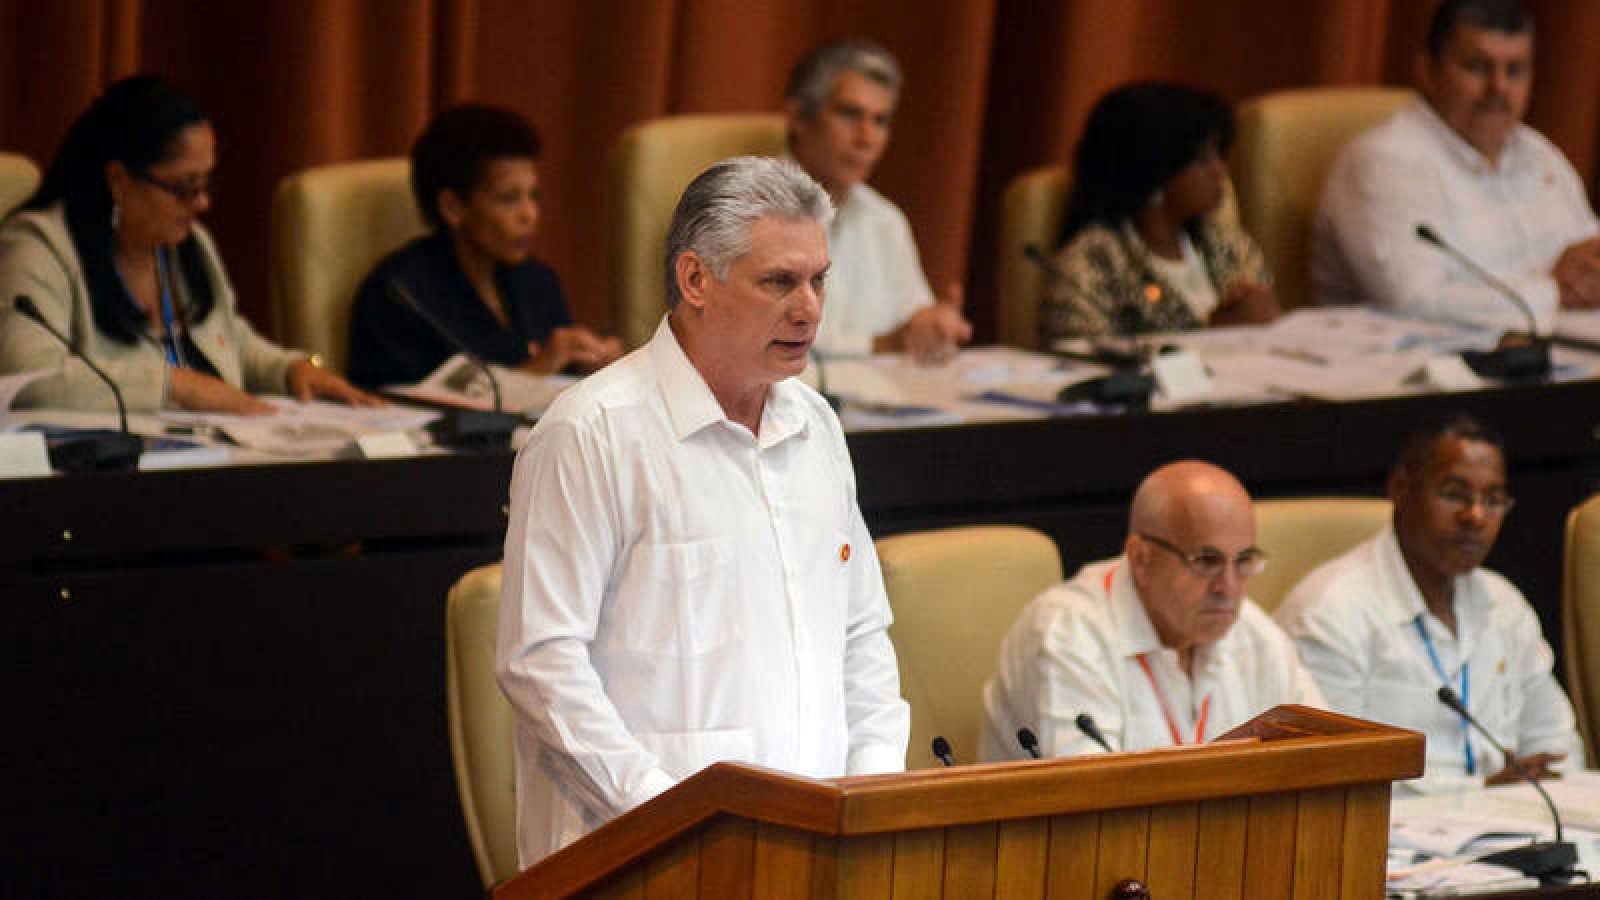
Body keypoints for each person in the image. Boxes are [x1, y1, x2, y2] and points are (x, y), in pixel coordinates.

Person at [496, 155, 909, 866]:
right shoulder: (591, 433)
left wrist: (870, 797)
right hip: (641, 855)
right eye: (779, 281)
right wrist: (672, 819)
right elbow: (541, 665)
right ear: (695, 280)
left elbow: (862, 635)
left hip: (813, 854)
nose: (809, 306)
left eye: (819, 279)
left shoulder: (817, 427)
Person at [0, 75, 374, 413]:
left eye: (205, 183)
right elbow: (29, 381)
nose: (202, 203)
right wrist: (176, 384)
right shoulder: (35, 249)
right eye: (183, 187)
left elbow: (225, 337)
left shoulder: (186, 244)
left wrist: (291, 369)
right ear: (118, 180)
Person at [1275, 414, 1583, 792]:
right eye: (1455, 494)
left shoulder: (1504, 605)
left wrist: (1545, 784)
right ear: (1401, 489)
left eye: (1493, 500)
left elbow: (1557, 743)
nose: (1475, 516)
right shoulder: (1330, 613)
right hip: (1393, 841)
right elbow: (1330, 777)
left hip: (1515, 829)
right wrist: (1479, 793)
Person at [980, 461, 1321, 761]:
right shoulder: (1067, 633)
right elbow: (1090, 806)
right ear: (1141, 558)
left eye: (1244, 561)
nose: (1228, 588)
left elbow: (1330, 753)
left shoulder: (1253, 632)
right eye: (1206, 561)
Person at [1313, 0, 1600, 332]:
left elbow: (1589, 259)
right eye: (1477, 67)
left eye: (1515, 70)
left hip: (1554, 364)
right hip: (1421, 370)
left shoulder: (1539, 153)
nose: (1499, 88)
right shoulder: (1382, 162)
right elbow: (1413, 301)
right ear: (1428, 70)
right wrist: (1553, 290)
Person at [347, 104, 619, 388]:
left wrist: (595, 367)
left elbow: (561, 382)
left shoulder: (538, 281)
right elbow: (394, 411)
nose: (530, 214)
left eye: (534, 195)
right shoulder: (400, 295)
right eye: (509, 198)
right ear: (453, 207)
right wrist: (532, 373)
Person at [1041, 83, 1280, 344]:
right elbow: (1079, 362)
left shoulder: (1228, 246)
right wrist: (1211, 337)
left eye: (1219, 155)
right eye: (1202, 160)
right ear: (1157, 171)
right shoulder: (1092, 264)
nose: (1220, 172)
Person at [783, 39, 971, 362]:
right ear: (799, 117)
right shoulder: (751, 214)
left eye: (880, 121)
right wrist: (882, 345)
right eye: (849, 114)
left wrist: (934, 329)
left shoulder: (885, 220)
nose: (867, 139)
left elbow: (912, 324)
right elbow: (763, 343)